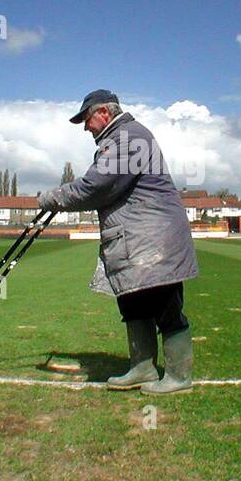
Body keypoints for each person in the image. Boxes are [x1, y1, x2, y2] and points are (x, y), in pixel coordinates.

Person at [38, 89, 198, 393]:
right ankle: (142, 369)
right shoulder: (119, 139)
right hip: (134, 240)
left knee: (165, 306)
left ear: (103, 113)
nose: (86, 128)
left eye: (86, 120)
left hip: (154, 241)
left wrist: (52, 198)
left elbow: (98, 186)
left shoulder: (130, 138)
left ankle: (179, 377)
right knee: (133, 303)